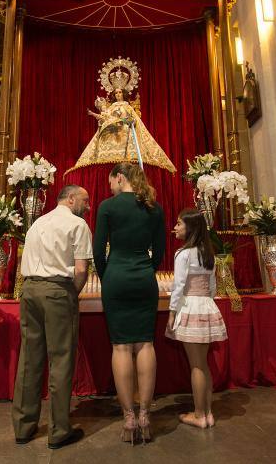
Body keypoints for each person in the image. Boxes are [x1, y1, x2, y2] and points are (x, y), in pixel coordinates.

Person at [12, 185, 92, 449]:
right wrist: (72, 293)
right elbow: (81, 269)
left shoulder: (37, 223)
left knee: (29, 358)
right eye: (85, 200)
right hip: (58, 290)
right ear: (71, 198)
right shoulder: (77, 225)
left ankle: (23, 427)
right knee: (61, 359)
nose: (87, 206)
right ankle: (58, 430)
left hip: (30, 290)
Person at [93, 162, 166, 444]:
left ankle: (129, 418)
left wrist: (107, 274)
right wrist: (146, 268)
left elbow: (98, 250)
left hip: (116, 277)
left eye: (111, 181)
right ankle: (146, 415)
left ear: (120, 177)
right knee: (146, 343)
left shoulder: (107, 207)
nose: (110, 186)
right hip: (144, 276)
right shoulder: (154, 208)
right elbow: (159, 250)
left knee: (121, 345)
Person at [166, 209, 228, 429]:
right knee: (204, 364)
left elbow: (179, 286)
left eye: (179, 223)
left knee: (196, 366)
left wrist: (172, 313)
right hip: (206, 307)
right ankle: (209, 413)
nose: (175, 227)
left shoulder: (183, 254)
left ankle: (199, 414)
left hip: (191, 307)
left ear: (190, 228)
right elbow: (212, 287)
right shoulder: (207, 252)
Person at [66, 87, 175, 175]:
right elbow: (105, 118)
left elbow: (135, 120)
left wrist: (126, 121)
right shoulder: (110, 108)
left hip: (125, 133)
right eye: (116, 93)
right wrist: (95, 115)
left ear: (123, 94)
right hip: (111, 133)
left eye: (120, 92)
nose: (118, 94)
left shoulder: (128, 107)